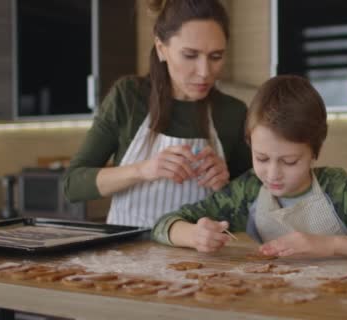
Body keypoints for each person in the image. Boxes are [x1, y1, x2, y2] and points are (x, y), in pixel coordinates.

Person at [152, 75, 347, 259]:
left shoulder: (338, 190)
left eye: (289, 161)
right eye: (262, 158)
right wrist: (195, 235)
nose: (273, 174)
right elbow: (165, 224)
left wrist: (331, 245)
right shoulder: (249, 190)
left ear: (315, 150)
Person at [63, 0, 251, 228]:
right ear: (161, 49)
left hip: (200, 259)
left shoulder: (233, 112)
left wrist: (225, 183)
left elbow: (254, 204)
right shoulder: (129, 97)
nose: (204, 72)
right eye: (190, 55)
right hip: (127, 253)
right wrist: (143, 170)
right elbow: (72, 185)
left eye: (216, 56)